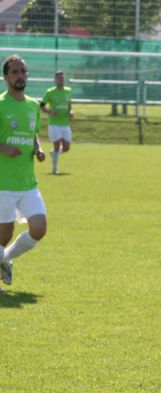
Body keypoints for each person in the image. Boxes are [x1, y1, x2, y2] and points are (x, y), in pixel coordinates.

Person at [0, 55, 48, 288]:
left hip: (28, 183)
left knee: (39, 229)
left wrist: (38, 149)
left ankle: (5, 259)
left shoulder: (32, 105)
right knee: (4, 234)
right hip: (3, 183)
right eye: (15, 72)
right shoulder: (1, 104)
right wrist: (4, 148)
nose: (20, 76)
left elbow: (33, 132)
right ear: (6, 77)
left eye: (23, 71)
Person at [39, 70, 72, 175]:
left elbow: (69, 104)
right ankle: (54, 168)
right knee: (57, 145)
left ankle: (54, 154)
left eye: (62, 78)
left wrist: (70, 112)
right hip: (54, 124)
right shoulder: (50, 92)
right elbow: (41, 106)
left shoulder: (68, 91)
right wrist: (50, 112)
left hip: (65, 123)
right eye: (58, 78)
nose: (60, 80)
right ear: (55, 80)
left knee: (66, 147)